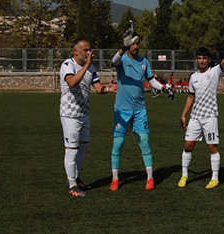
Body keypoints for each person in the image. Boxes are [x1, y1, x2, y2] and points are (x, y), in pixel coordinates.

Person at [179, 33, 224, 189]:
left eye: (204, 58)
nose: (201, 60)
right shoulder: (193, 77)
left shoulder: (215, 72)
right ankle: (184, 175)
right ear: (196, 60)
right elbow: (190, 97)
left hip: (210, 118)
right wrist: (183, 115)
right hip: (195, 117)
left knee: (212, 147)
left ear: (208, 59)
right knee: (188, 145)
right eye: (199, 58)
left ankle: (215, 178)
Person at [59, 39, 118, 197]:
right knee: (71, 150)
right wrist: (86, 66)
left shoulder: (91, 67)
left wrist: (108, 88)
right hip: (69, 114)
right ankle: (72, 184)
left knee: (83, 146)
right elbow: (72, 83)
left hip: (84, 113)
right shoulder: (67, 65)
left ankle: (75, 178)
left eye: (89, 49)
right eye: (85, 50)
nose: (89, 52)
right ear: (76, 52)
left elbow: (98, 88)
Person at [109, 30, 166, 191]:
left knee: (144, 142)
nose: (135, 46)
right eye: (132, 43)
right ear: (127, 44)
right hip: (122, 110)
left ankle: (150, 178)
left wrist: (163, 87)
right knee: (118, 144)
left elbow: (151, 80)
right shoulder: (122, 59)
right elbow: (113, 61)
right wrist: (122, 47)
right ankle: (115, 178)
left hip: (139, 110)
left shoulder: (144, 61)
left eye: (137, 43)